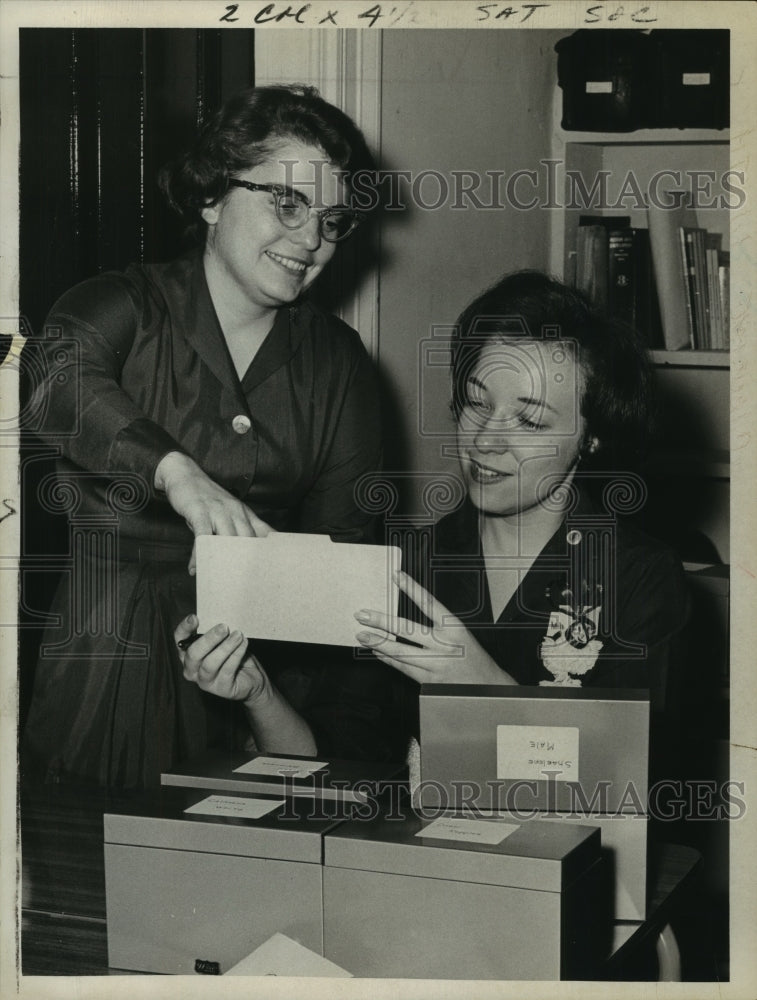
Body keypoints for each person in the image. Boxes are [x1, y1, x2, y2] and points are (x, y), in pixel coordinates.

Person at [22, 84, 387, 788]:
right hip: (107, 667)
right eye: (286, 202)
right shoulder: (120, 304)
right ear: (212, 196)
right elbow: (49, 381)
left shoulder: (338, 362)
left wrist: (274, 697)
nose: (310, 239)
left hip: (265, 677)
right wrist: (176, 471)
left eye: (331, 219)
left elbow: (345, 552)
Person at [177, 272, 688, 771]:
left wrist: (486, 688)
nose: (486, 439)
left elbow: (626, 780)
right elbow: (337, 761)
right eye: (476, 402)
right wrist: (260, 694)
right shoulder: (412, 566)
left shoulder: (639, 575)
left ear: (592, 437)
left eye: (530, 421)